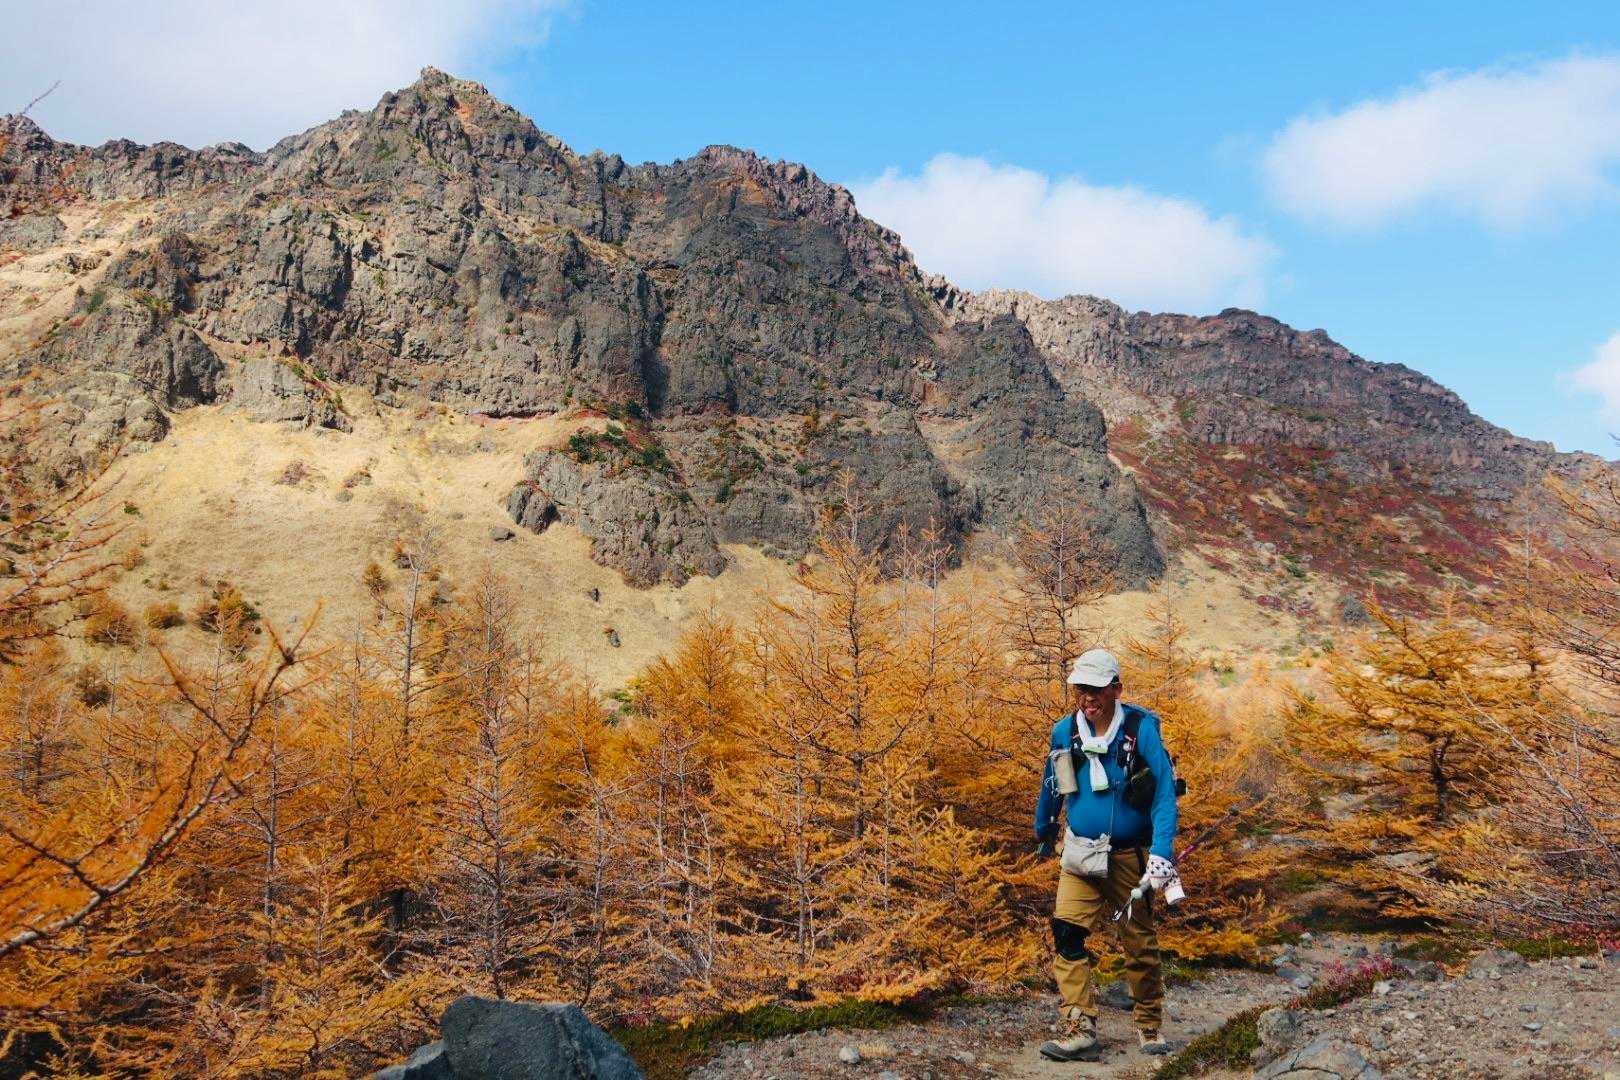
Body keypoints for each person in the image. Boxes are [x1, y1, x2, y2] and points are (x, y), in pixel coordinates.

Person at [1033, 648, 1180, 1060]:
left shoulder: (1140, 731)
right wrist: (1043, 828)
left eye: (1096, 689)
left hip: (1127, 857)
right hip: (1079, 854)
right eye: (1081, 689)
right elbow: (1053, 783)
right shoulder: (1065, 732)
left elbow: (1164, 795)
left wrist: (1162, 852)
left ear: (1116, 688)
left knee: (1139, 944)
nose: (1087, 698)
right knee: (1067, 934)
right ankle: (1080, 1027)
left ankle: (1149, 1025)